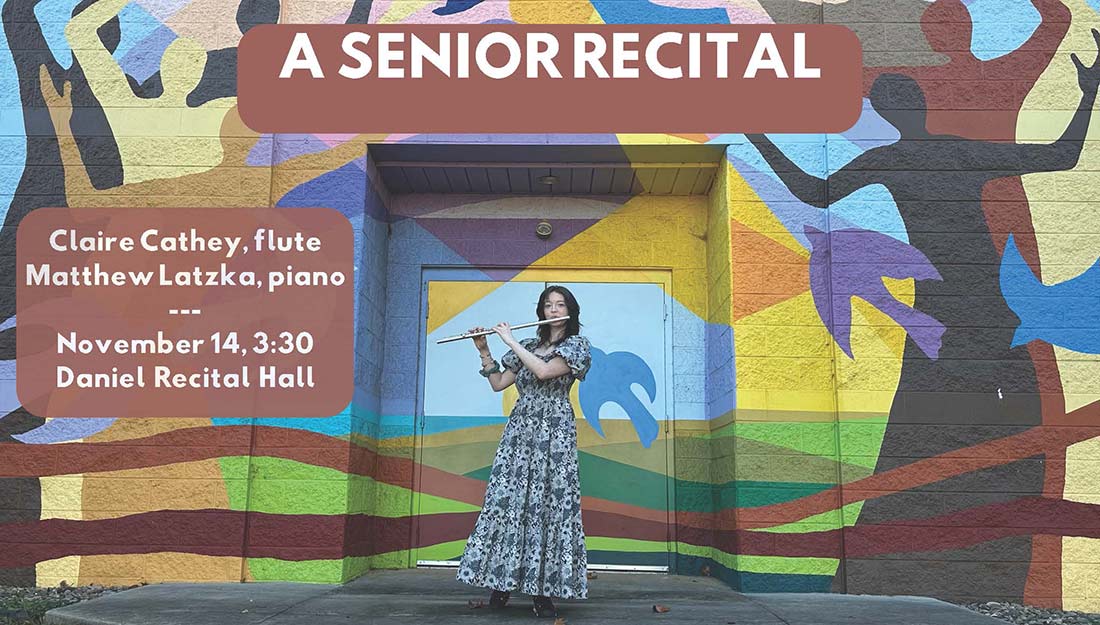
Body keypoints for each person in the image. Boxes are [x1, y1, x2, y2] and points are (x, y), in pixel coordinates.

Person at [455, 285, 592, 618]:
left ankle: (543, 591)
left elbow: (544, 372)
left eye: (561, 305)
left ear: (569, 310)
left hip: (554, 433)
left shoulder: (577, 346)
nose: (554, 310)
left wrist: (508, 340)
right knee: (510, 503)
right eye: (549, 305)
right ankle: (501, 581)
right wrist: (484, 349)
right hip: (520, 430)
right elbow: (499, 383)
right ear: (541, 311)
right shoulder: (530, 344)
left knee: (548, 506)